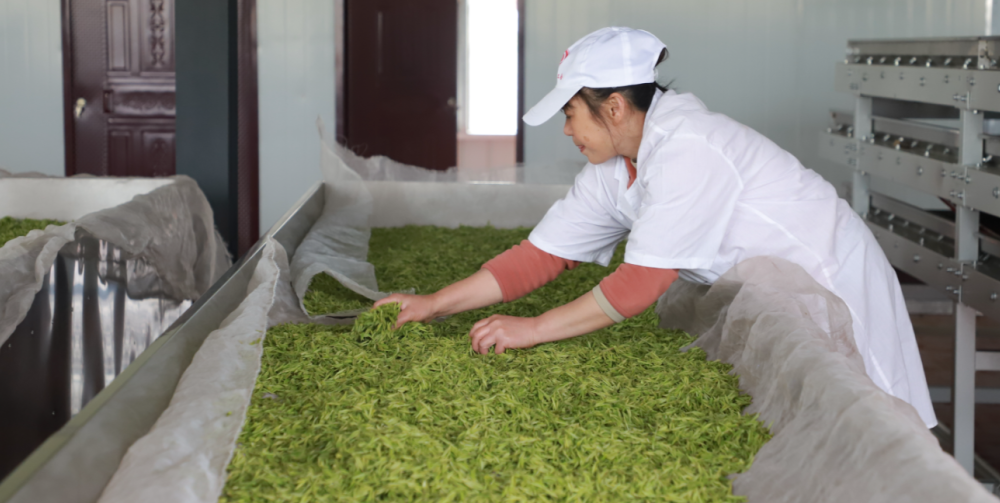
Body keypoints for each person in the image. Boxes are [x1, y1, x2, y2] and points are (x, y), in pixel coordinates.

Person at [373, 26, 936, 427]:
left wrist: (534, 328)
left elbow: (640, 284)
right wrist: (433, 304)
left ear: (614, 107)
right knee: (818, 417)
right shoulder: (612, 168)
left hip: (833, 278)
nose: (566, 131)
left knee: (878, 422)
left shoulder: (690, 146)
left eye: (570, 114)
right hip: (777, 288)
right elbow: (541, 256)